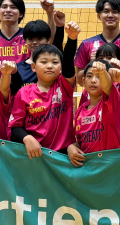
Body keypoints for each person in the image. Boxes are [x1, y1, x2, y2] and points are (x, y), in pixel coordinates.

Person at [8, 22, 81, 156]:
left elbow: (68, 61)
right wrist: (27, 138)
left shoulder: (64, 86)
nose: (49, 66)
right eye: (44, 62)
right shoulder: (23, 93)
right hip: (35, 155)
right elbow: (15, 126)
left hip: (64, 155)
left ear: (60, 68)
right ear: (34, 67)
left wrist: (72, 38)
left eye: (55, 62)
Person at [68, 59, 120, 166]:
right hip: (88, 169)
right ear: (83, 81)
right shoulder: (80, 111)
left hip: (111, 166)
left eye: (99, 77)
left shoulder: (111, 102)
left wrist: (103, 72)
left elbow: (108, 86)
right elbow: (81, 142)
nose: (93, 80)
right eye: (89, 76)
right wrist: (72, 147)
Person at [0, 0, 56, 65]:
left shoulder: (29, 37)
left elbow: (49, 40)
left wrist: (50, 12)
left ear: (21, 14)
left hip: (25, 80)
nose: (8, 10)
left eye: (13, 7)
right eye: (4, 7)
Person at [11, 15, 65, 95]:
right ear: (25, 41)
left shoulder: (56, 65)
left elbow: (58, 47)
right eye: (30, 39)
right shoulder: (18, 68)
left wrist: (60, 27)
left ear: (48, 40)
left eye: (39, 38)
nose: (35, 42)